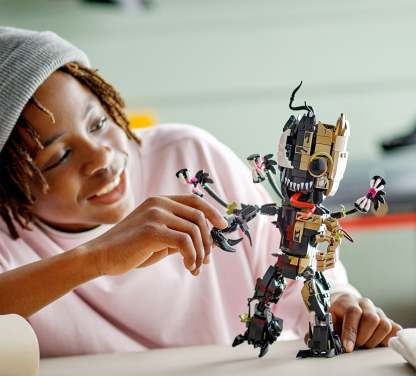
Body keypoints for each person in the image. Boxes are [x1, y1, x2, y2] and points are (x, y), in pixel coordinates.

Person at [0, 27, 401, 357]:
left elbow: (291, 271)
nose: (101, 157)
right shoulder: (8, 235)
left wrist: (337, 302)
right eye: (59, 156)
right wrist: (95, 258)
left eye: (98, 123)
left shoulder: (188, 156)